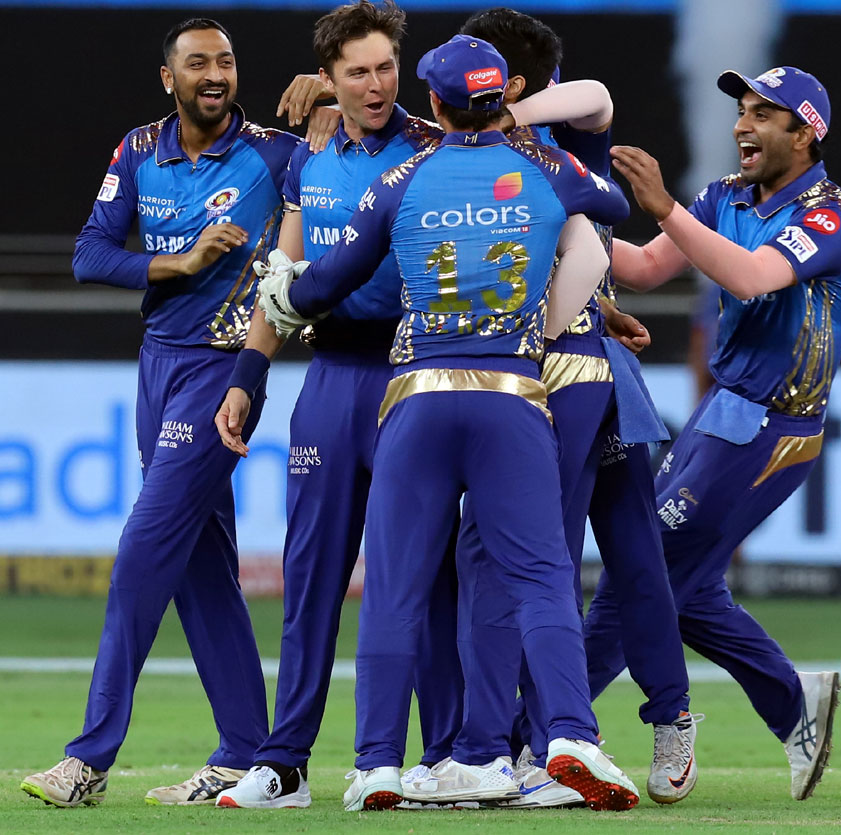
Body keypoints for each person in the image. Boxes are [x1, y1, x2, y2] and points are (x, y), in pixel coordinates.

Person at [253, 34, 641, 812]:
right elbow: (615, 205)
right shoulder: (548, 170)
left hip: (419, 394)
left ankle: (377, 767)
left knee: (394, 586)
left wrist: (282, 296)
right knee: (541, 578)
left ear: (431, 102)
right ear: (501, 98)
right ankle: (570, 734)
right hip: (514, 395)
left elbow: (329, 280)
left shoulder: (403, 177)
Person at [416, 7, 697, 810]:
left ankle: (540, 745)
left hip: (553, 377)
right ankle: (645, 719)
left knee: (522, 553)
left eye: (485, 70)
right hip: (587, 365)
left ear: (513, 83)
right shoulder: (494, 153)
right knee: (627, 549)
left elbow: (598, 94)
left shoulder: (553, 138)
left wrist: (508, 111)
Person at [19, 19, 299, 809]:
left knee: (143, 551)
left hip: (223, 368)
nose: (216, 74)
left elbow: (347, 180)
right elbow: (89, 253)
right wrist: (176, 261)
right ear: (168, 78)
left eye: (227, 61)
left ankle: (87, 759)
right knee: (202, 570)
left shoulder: (277, 156)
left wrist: (327, 111)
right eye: (198, 63)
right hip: (158, 365)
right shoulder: (140, 150)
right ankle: (249, 754)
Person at [208, 2, 447, 811]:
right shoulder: (306, 160)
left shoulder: (436, 146)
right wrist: (248, 373)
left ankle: (440, 756)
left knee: (422, 577)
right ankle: (287, 762)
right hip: (329, 382)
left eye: (385, 67)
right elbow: (285, 273)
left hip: (414, 378)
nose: (376, 84)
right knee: (310, 577)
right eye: (357, 72)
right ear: (330, 79)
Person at [599, 64, 841, 801]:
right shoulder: (723, 196)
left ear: (805, 133)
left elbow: (749, 277)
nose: (742, 125)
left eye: (762, 114)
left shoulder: (833, 214)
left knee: (636, 572)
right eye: (741, 110)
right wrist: (560, 225)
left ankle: (540, 732)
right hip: (721, 415)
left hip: (775, 426)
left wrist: (662, 205)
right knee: (678, 585)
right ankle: (791, 701)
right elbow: (648, 268)